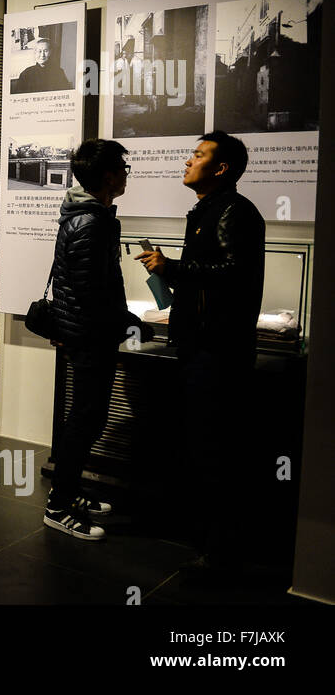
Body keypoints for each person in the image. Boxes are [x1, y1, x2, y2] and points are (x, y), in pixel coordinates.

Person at [135, 131, 265, 571]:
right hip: (202, 343)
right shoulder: (211, 209)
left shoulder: (233, 211)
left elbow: (232, 272)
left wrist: (172, 267)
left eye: (197, 155)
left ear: (221, 168)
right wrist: (170, 271)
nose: (188, 161)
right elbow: (211, 274)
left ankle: (221, 553)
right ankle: (209, 539)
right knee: (203, 442)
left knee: (216, 447)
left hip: (218, 348)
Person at [44, 139, 147, 540]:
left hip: (87, 333)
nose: (125, 175)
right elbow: (92, 290)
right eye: (123, 168)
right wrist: (127, 321)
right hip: (90, 337)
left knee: (86, 418)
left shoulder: (90, 214)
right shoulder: (92, 221)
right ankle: (58, 505)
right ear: (108, 177)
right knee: (85, 420)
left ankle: (69, 492)